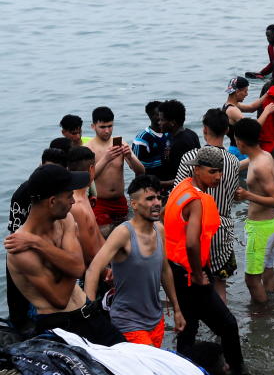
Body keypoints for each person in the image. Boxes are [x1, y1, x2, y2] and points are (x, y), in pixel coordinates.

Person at [5, 164, 125, 345]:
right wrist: (69, 261)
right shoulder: (20, 251)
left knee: (135, 359)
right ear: (52, 201)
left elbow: (77, 267)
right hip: (61, 326)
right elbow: (60, 298)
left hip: (89, 312)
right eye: (69, 195)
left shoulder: (65, 219)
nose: (73, 201)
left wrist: (38, 244)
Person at [165, 146, 249, 375]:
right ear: (197, 170)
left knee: (188, 330)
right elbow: (192, 242)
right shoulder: (198, 201)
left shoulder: (180, 190)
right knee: (228, 325)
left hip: (176, 270)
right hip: (191, 276)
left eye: (220, 172)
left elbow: (166, 221)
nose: (218, 177)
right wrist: (198, 273)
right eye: (212, 172)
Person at [83, 174, 185, 347]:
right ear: (134, 204)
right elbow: (94, 269)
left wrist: (177, 309)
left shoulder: (159, 229)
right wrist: (89, 313)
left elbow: (165, 270)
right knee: (150, 369)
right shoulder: (123, 233)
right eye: (150, 198)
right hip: (128, 322)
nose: (157, 203)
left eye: (159, 198)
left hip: (155, 319)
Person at [174, 109, 242, 303]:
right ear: (227, 130)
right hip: (222, 230)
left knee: (194, 284)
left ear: (204, 130)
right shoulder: (233, 161)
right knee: (220, 285)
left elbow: (176, 195)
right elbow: (234, 195)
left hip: (194, 232)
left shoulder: (191, 158)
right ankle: (222, 328)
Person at [233, 119, 274, 304]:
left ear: (240, 142)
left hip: (261, 229)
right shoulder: (263, 155)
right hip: (269, 225)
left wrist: (247, 195)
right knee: (267, 270)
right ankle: (272, 304)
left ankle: (262, 316)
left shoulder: (260, 166)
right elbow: (239, 164)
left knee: (252, 279)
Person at [85, 106, 145, 236]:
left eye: (110, 126)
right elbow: (87, 179)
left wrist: (129, 156)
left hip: (120, 200)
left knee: (127, 236)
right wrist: (106, 159)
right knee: (104, 236)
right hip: (100, 202)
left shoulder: (120, 143)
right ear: (93, 126)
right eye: (102, 127)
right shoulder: (88, 148)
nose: (107, 131)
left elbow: (141, 171)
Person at [65, 146, 103, 266]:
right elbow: (87, 253)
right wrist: (105, 272)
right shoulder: (76, 206)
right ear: (92, 169)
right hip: (93, 271)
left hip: (102, 263)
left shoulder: (84, 196)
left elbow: (97, 235)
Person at [157, 99, 200, 193]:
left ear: (173, 122)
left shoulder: (180, 143)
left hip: (180, 191)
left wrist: (159, 184)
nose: (159, 123)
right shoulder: (191, 133)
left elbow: (187, 177)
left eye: (162, 120)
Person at [131, 101, 167, 178]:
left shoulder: (168, 133)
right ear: (151, 116)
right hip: (150, 184)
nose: (161, 117)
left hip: (170, 181)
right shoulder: (141, 139)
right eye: (158, 115)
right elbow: (134, 166)